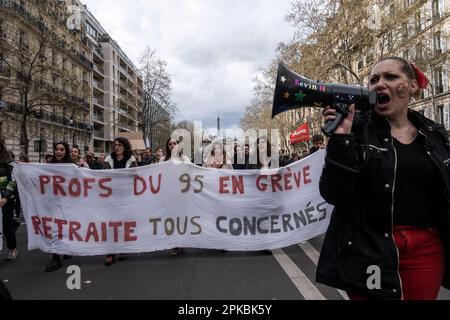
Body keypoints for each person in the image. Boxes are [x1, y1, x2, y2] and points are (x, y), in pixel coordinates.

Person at [317, 56, 450, 300]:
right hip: (369, 249)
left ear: (411, 86)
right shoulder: (355, 132)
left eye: (390, 77)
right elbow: (335, 193)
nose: (379, 84)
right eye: (374, 80)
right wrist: (340, 139)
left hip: (425, 251)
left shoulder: (434, 134)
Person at [103, 137, 138, 266]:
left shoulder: (131, 159)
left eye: (119, 145)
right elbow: (103, 176)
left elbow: (136, 175)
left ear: (125, 147)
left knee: (123, 223)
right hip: (111, 196)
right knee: (111, 224)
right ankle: (110, 252)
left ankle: (122, 247)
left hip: (126, 197)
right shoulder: (108, 160)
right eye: (115, 145)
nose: (116, 147)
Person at [45, 142, 73, 272]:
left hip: (67, 204)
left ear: (66, 152)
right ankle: (55, 258)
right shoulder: (49, 167)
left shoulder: (72, 167)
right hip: (54, 203)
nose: (58, 152)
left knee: (66, 227)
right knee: (55, 228)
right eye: (56, 149)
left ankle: (66, 248)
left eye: (62, 149)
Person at [161, 138, 190, 255]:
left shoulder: (185, 158)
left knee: (182, 219)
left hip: (183, 193)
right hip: (169, 194)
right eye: (170, 144)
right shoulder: (163, 160)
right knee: (170, 219)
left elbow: (191, 172)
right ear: (167, 147)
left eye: (174, 143)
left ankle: (181, 242)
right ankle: (173, 244)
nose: (172, 145)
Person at [0, 141, 18, 261]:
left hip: (5, 199)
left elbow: (13, 181)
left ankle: (12, 248)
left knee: (6, 226)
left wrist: (5, 196)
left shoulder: (8, 162)